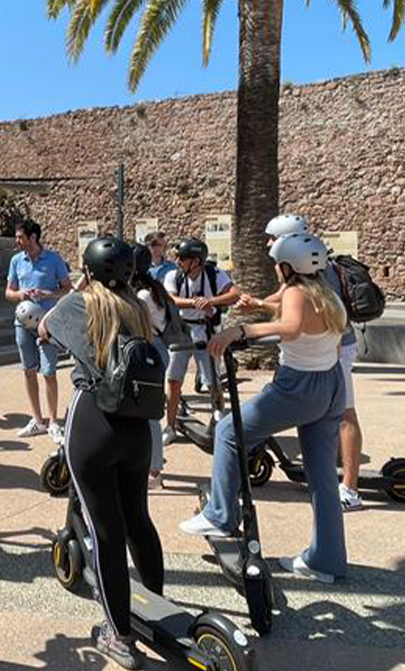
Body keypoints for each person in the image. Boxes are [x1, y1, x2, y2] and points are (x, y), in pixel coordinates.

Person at [179, 232, 349, 584]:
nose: (275, 269)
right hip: (331, 385)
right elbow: (299, 320)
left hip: (299, 386)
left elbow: (291, 325)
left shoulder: (297, 292)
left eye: (277, 264)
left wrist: (239, 331)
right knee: (321, 480)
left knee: (228, 431)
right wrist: (260, 305)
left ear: (288, 267)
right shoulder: (327, 294)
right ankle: (327, 560)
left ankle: (221, 515)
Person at [37, 237, 166, 670]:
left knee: (104, 530)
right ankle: (158, 608)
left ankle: (119, 637)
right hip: (139, 430)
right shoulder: (139, 307)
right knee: (138, 521)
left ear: (88, 271)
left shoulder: (82, 303)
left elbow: (44, 328)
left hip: (95, 422)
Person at [262, 214, 368, 512]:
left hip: (338, 348)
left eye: (273, 239)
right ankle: (326, 474)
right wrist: (252, 302)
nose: (269, 244)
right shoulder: (302, 265)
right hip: (326, 348)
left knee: (345, 414)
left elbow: (297, 308)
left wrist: (251, 321)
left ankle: (350, 488)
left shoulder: (318, 270)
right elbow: (284, 297)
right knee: (325, 413)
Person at [160, 238, 239, 440]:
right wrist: (196, 303)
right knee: (174, 380)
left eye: (183, 258)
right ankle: (170, 426)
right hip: (182, 332)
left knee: (213, 380)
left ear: (196, 261)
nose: (178, 261)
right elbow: (172, 299)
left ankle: (219, 418)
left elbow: (234, 294)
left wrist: (210, 301)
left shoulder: (214, 274)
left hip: (207, 332)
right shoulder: (173, 276)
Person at [4, 219, 73, 437]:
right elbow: (8, 292)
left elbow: (67, 289)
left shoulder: (54, 259)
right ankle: (37, 420)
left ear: (33, 237)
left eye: (20, 237)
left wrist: (47, 294)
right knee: (28, 371)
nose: (17, 241)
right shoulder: (16, 260)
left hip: (48, 324)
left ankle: (53, 422)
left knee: (49, 371)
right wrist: (21, 295)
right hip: (22, 323)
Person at [131, 244, 186, 491]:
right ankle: (149, 461)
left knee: (149, 413)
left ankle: (154, 471)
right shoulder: (150, 287)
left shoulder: (142, 295)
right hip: (152, 350)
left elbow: (137, 328)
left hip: (150, 351)